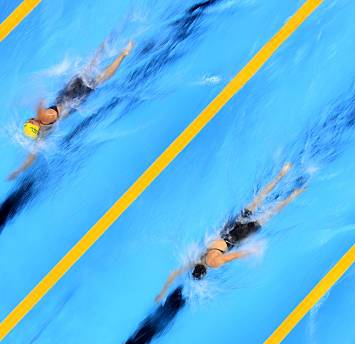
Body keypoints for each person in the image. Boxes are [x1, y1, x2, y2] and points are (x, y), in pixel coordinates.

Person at [155, 162, 304, 302]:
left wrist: (252, 251)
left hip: (240, 235)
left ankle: (293, 195)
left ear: (205, 272)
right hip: (232, 226)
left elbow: (235, 255)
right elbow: (173, 274)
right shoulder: (196, 259)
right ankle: (281, 174)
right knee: (259, 199)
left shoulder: (215, 263)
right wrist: (162, 292)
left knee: (272, 212)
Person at [8, 41, 134, 180]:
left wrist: (18, 171)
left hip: (69, 97)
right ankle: (121, 53)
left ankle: (112, 49)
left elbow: (31, 157)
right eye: (31, 121)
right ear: (35, 125)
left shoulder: (41, 133)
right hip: (72, 97)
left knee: (92, 72)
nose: (31, 118)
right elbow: (39, 100)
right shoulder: (43, 122)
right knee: (97, 76)